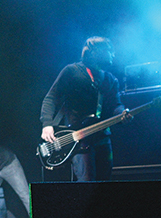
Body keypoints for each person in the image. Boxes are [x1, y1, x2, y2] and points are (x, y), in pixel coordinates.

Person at [39, 37, 121, 182]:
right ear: (96, 52)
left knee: (105, 182)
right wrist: (47, 124)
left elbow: (116, 105)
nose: (113, 55)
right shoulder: (72, 71)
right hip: (79, 137)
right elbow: (51, 98)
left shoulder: (110, 79)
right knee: (86, 181)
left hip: (102, 137)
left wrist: (122, 113)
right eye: (109, 51)